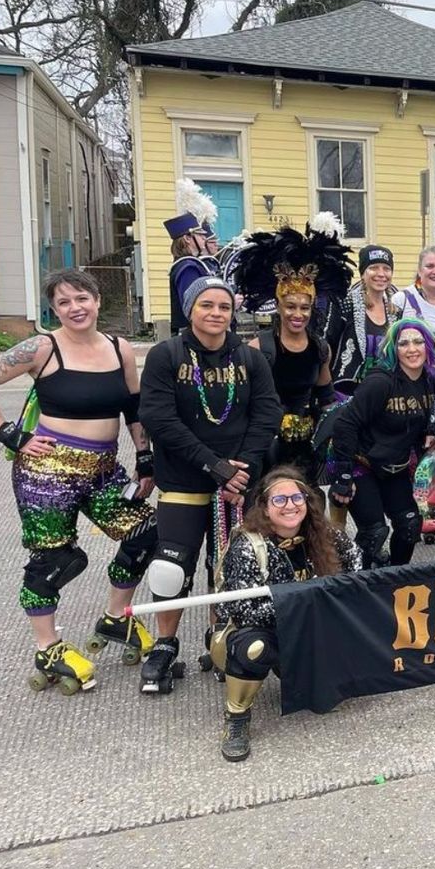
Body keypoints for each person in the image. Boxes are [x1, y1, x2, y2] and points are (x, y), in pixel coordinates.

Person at [0, 269, 157, 693]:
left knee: (145, 532)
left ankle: (116, 618)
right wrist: (11, 434)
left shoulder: (119, 348)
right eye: (63, 303)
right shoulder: (42, 347)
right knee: (56, 560)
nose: (74, 308)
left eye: (81, 298)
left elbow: (133, 409)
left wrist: (144, 459)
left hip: (104, 470)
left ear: (98, 300)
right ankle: (48, 646)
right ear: (54, 310)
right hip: (47, 471)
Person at [138, 274, 282, 694]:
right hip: (185, 479)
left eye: (223, 307)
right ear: (189, 309)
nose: (216, 313)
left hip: (236, 484)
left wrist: (244, 467)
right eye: (207, 305)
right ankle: (165, 645)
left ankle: (221, 638)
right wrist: (212, 464)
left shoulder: (250, 358)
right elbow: (159, 418)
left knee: (228, 567)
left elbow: (267, 413)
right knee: (169, 570)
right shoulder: (166, 355)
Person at [215, 466, 362, 761]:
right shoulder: (247, 544)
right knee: (253, 648)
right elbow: (244, 610)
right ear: (265, 508)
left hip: (310, 628)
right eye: (279, 500)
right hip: (260, 632)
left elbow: (356, 569)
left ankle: (308, 673)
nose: (290, 505)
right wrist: (303, 607)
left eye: (297, 498)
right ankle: (237, 719)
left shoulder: (326, 533)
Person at [232, 221, 351, 475]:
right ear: (278, 306)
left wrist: (337, 432)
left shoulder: (320, 348)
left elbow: (326, 397)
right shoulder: (259, 347)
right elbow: (244, 402)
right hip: (267, 445)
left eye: (304, 307)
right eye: (290, 306)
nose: (298, 314)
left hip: (305, 448)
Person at [328, 319, 435, 568]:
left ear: (427, 346)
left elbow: (426, 417)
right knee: (374, 532)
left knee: (410, 525)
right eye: (403, 343)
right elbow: (344, 425)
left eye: (417, 342)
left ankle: (394, 577)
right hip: (362, 464)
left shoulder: (431, 380)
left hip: (396, 466)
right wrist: (344, 476)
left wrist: (431, 430)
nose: (412, 349)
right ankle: (356, 581)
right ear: (393, 349)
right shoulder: (380, 381)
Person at [324, 243, 398, 393]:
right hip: (346, 390)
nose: (381, 274)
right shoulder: (345, 304)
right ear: (363, 273)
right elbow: (327, 345)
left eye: (386, 268)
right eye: (374, 268)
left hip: (384, 392)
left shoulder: (396, 310)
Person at [165, 178, 220, 335]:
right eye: (200, 235)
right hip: (193, 335)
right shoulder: (187, 267)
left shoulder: (193, 264)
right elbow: (193, 306)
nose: (204, 239)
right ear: (188, 238)